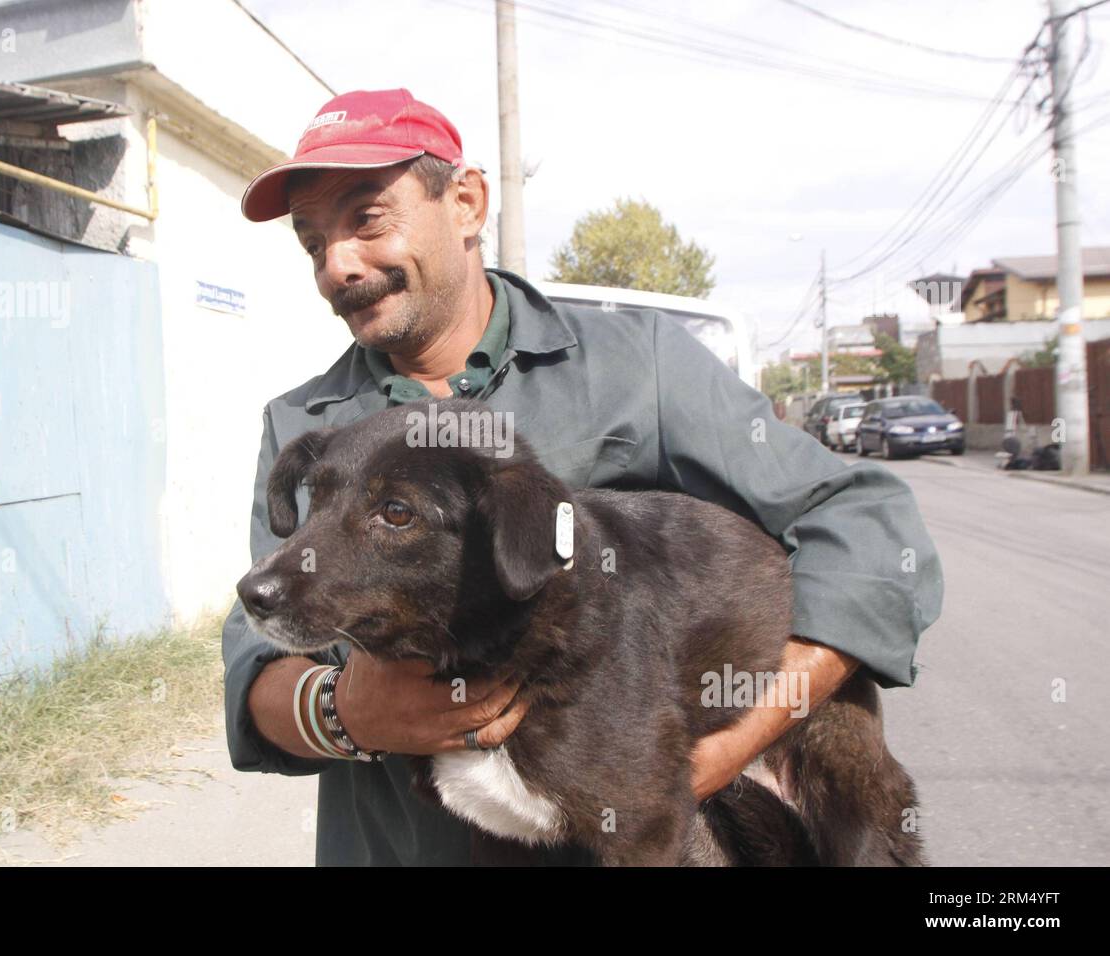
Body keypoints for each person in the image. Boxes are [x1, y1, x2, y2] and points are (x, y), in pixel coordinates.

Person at [225, 87, 943, 865]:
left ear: (465, 201)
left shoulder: (640, 366)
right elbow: (255, 673)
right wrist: (343, 712)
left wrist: (740, 731)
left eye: (367, 218)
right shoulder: (305, 426)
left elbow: (862, 517)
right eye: (312, 244)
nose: (339, 265)